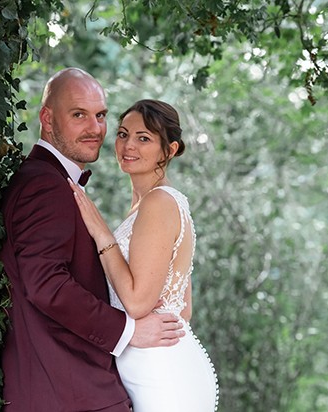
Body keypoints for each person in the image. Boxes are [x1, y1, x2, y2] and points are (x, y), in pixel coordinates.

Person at [0, 68, 186, 412]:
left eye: (100, 116)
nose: (95, 129)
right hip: (67, 392)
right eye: (79, 115)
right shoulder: (44, 185)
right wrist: (127, 333)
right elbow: (46, 284)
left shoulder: (53, 182)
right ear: (47, 118)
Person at [68, 99, 219, 411]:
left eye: (144, 138)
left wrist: (102, 234)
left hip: (161, 375)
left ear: (171, 150)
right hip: (156, 364)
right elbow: (184, 308)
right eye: (123, 134)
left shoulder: (159, 203)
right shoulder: (150, 205)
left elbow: (137, 303)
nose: (128, 146)